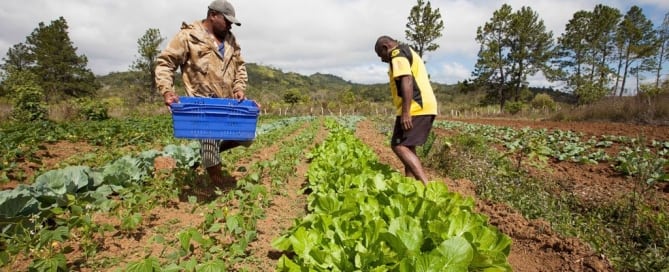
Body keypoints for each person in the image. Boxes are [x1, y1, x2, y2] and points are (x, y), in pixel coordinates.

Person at [155, 0, 250, 189]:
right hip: (203, 104)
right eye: (227, 20)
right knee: (209, 146)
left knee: (247, 137)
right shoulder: (188, 36)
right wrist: (167, 90)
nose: (230, 24)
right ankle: (218, 188)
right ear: (213, 15)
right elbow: (166, 63)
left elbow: (240, 67)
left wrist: (239, 87)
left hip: (227, 104)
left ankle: (213, 150)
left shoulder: (230, 39)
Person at [374, 35, 438, 185]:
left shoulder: (397, 54)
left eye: (380, 55)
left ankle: (425, 185)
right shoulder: (408, 50)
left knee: (398, 145)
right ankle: (409, 186)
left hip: (416, 107)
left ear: (385, 47)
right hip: (423, 106)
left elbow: (406, 79)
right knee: (408, 146)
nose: (382, 59)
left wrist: (406, 112)